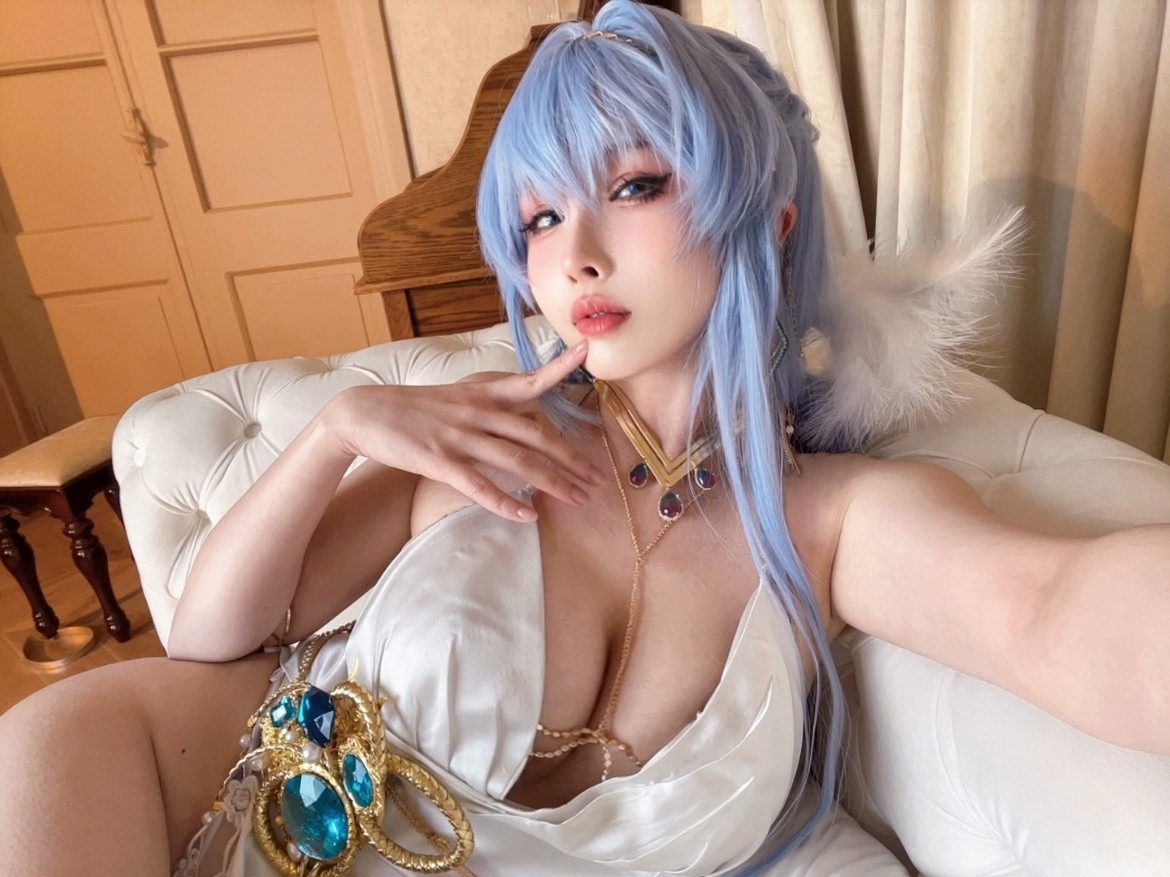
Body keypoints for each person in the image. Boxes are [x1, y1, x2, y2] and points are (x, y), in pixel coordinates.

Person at [0, 3, 1166, 875]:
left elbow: (1049, 610)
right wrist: (339, 433)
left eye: (637, 185)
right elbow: (208, 635)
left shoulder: (832, 518)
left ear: (769, 219)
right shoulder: (476, 438)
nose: (575, 258)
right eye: (542, 217)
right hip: (174, 797)